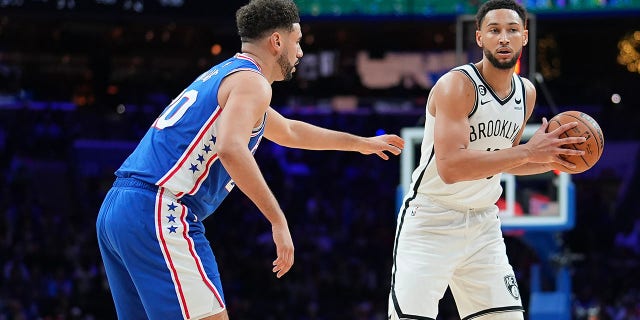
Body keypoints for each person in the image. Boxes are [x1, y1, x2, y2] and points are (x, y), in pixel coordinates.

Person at [95, 0, 405, 319]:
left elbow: (290, 131)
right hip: (159, 209)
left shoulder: (228, 75)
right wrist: (277, 220)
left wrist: (361, 144)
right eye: (297, 41)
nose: (299, 52)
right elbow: (231, 148)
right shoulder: (253, 83)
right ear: (276, 41)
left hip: (119, 208)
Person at [387, 0, 585, 319]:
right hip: (431, 221)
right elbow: (451, 168)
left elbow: (507, 160)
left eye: (511, 30)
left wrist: (553, 159)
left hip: (483, 225)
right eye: (494, 30)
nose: (503, 38)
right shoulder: (456, 85)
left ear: (524, 36)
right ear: (479, 38)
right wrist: (529, 151)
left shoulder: (527, 93)